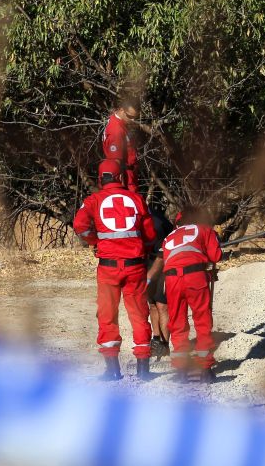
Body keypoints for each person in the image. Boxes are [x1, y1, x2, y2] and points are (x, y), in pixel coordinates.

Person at [73, 159, 156, 380]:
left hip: (108, 268)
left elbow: (79, 226)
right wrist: (143, 249)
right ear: (120, 177)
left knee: (107, 316)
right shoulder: (137, 199)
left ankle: (113, 371)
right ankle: (143, 370)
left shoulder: (93, 200)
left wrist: (94, 241)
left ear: (100, 179)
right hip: (135, 267)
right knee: (139, 315)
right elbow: (149, 234)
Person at [160, 206, 223, 383]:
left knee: (177, 322)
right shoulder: (204, 230)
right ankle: (205, 369)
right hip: (195, 277)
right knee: (202, 321)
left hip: (171, 280)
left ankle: (181, 371)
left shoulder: (169, 237)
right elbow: (216, 255)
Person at [146, 203, 175, 358]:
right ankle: (156, 340)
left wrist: (150, 275)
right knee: (152, 304)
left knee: (162, 304)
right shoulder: (141, 218)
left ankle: (165, 345)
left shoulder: (157, 222)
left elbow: (162, 253)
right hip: (147, 261)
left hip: (164, 261)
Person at [102, 98, 140, 192]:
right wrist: (120, 187)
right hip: (126, 179)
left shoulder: (118, 121)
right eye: (130, 116)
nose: (133, 120)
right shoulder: (116, 130)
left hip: (129, 175)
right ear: (122, 110)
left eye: (135, 117)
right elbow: (115, 162)